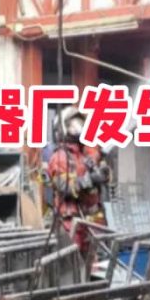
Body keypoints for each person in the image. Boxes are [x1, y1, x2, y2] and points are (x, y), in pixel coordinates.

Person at [47, 106, 109, 253]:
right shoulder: (60, 157)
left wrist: (103, 174)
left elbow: (98, 180)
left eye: (80, 123)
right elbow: (64, 188)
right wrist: (89, 180)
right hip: (71, 225)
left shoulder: (85, 155)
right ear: (63, 128)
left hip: (90, 223)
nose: (79, 127)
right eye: (74, 123)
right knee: (73, 262)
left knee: (92, 263)